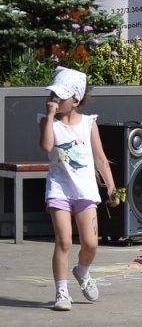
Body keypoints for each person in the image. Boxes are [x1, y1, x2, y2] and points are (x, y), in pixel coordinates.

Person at [39, 67, 116, 311]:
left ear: (75, 100)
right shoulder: (47, 122)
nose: (54, 99)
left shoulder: (88, 124)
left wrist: (111, 187)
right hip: (59, 190)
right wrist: (49, 116)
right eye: (52, 94)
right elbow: (46, 147)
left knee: (91, 243)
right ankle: (61, 292)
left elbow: (100, 158)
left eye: (60, 96)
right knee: (63, 241)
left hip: (85, 191)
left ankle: (82, 272)